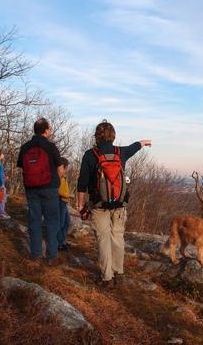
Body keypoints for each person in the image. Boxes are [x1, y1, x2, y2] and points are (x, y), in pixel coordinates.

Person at [77, 119, 151, 288]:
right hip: (119, 204)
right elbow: (135, 146)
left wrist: (81, 205)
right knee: (117, 237)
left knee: (103, 239)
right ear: (113, 136)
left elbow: (82, 183)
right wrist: (144, 142)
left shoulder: (90, 155)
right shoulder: (120, 152)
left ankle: (107, 278)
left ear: (97, 136)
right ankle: (119, 272)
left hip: (98, 204)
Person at [17, 118, 63, 265]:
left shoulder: (25, 147)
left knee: (34, 221)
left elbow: (22, 168)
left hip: (31, 189)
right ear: (46, 131)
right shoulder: (50, 147)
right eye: (49, 129)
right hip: (49, 188)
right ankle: (51, 256)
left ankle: (36, 254)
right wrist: (56, 181)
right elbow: (60, 169)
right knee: (52, 222)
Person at [57, 157, 71, 251]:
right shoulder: (59, 177)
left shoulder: (63, 177)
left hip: (64, 202)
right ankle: (59, 243)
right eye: (66, 167)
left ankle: (62, 241)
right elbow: (58, 191)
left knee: (67, 222)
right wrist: (69, 195)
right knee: (61, 223)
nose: (67, 169)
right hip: (60, 201)